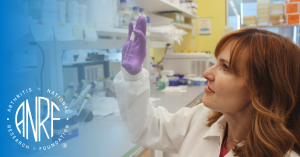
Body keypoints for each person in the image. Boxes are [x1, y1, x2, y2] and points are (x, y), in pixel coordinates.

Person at [113, 16, 300, 157]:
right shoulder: (204, 117)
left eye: (225, 67)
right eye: (216, 61)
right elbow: (148, 127)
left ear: (261, 90)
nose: (207, 73)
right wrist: (132, 76)